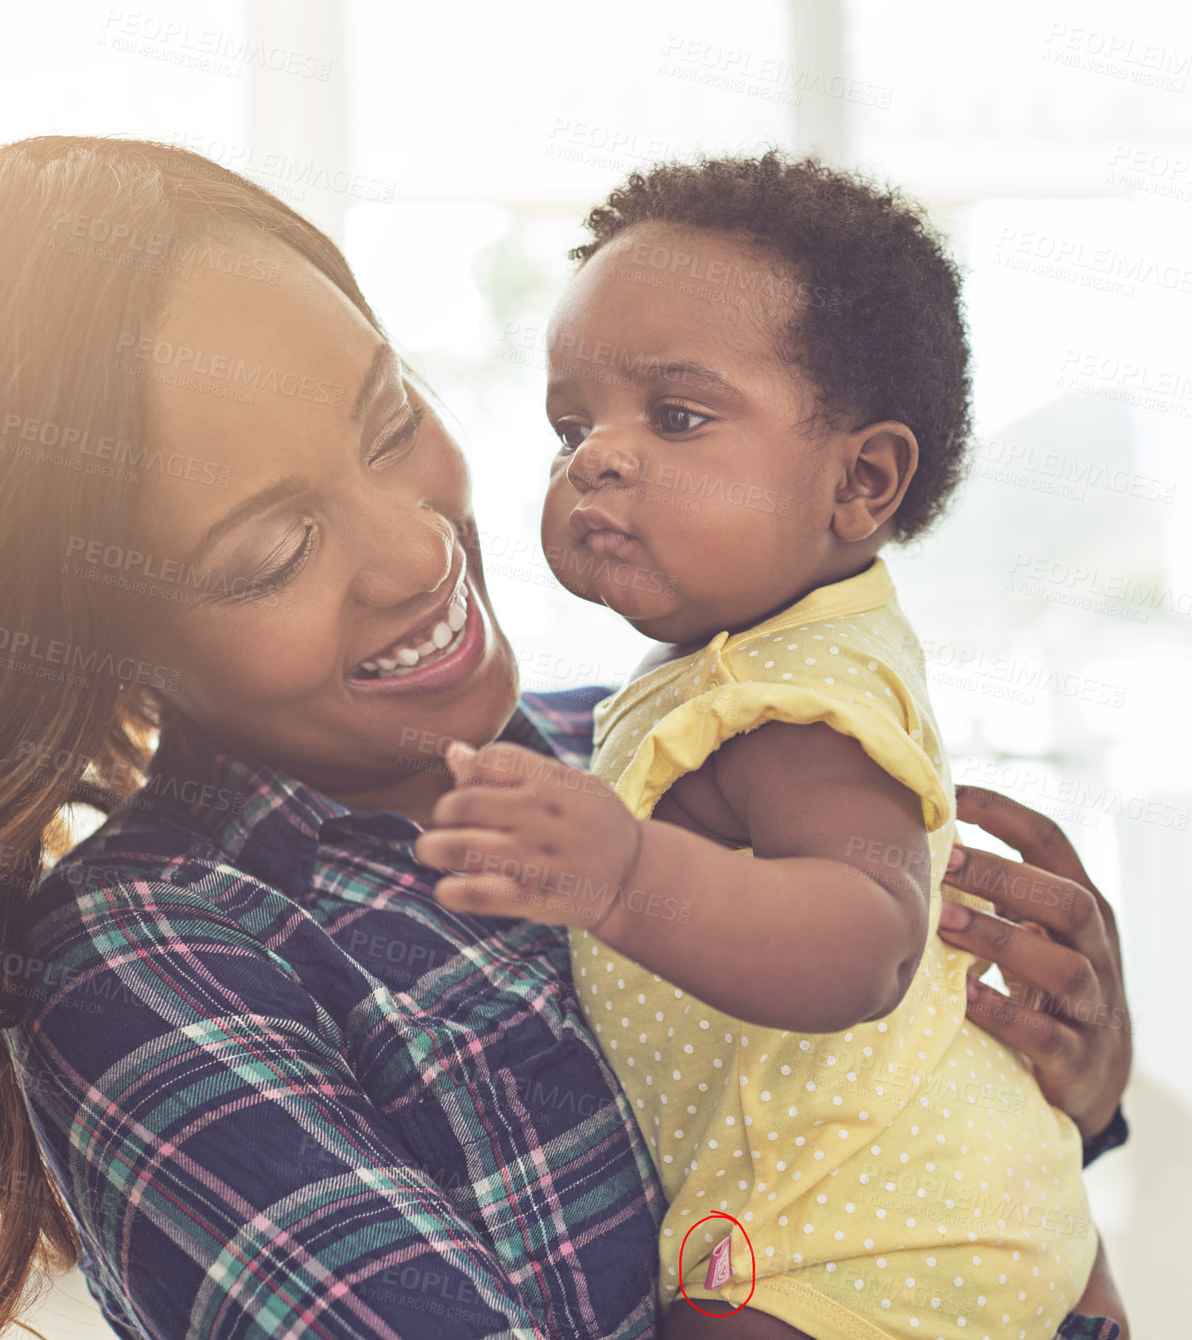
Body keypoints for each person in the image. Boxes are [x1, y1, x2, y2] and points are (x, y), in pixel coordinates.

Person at [0, 137, 1131, 1340]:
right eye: (273, 547)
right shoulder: (155, 961)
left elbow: (909, 1152)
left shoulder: (661, 749)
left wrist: (1052, 1079)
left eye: (389, 416)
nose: (417, 552)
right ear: (98, 638)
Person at [412, 154, 1130, 1340]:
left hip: (862, 1234)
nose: (597, 456)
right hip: (890, 1204)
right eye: (571, 425)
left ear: (860, 480)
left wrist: (626, 874)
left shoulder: (788, 699)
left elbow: (868, 941)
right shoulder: (735, 660)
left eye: (677, 417)